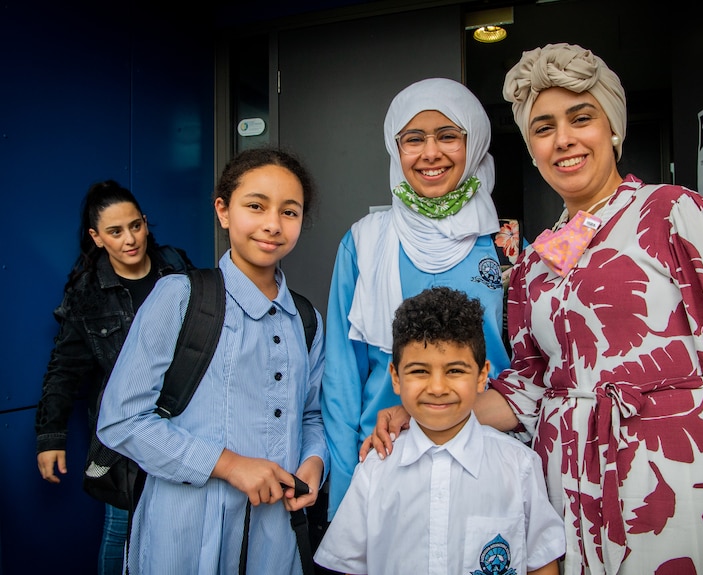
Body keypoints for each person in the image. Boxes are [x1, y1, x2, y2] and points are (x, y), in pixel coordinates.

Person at [364, 43, 703, 575]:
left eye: (581, 117)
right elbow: (528, 390)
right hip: (566, 485)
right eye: (543, 127)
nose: (564, 139)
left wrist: (691, 436)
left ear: (613, 128)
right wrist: (417, 415)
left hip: (676, 477)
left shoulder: (672, 212)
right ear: (531, 147)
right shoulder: (531, 264)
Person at [96, 147, 327, 575]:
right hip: (184, 531)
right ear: (223, 210)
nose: (272, 224)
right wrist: (229, 465)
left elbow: (312, 414)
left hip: (274, 537)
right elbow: (121, 421)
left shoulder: (307, 319)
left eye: (289, 212)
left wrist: (314, 463)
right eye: (255, 206)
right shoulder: (181, 297)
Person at [321, 77, 516, 522]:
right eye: (414, 139)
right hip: (383, 460)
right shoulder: (364, 242)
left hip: (484, 456)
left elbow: (526, 366)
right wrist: (346, 494)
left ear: (475, 143)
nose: (431, 153)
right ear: (396, 149)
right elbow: (342, 376)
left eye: (448, 136)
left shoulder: (504, 243)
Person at [315, 286, 565, 575]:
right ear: (396, 377)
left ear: (482, 375)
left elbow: (542, 564)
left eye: (455, 371)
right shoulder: (376, 468)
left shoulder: (519, 465)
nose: (436, 388)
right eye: (419, 371)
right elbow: (351, 566)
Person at [35, 180, 193, 575]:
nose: (130, 240)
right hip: (123, 434)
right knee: (122, 527)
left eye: (135, 226)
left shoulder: (174, 265)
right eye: (115, 232)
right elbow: (64, 369)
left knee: (182, 525)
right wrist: (49, 437)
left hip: (187, 420)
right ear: (96, 237)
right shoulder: (87, 292)